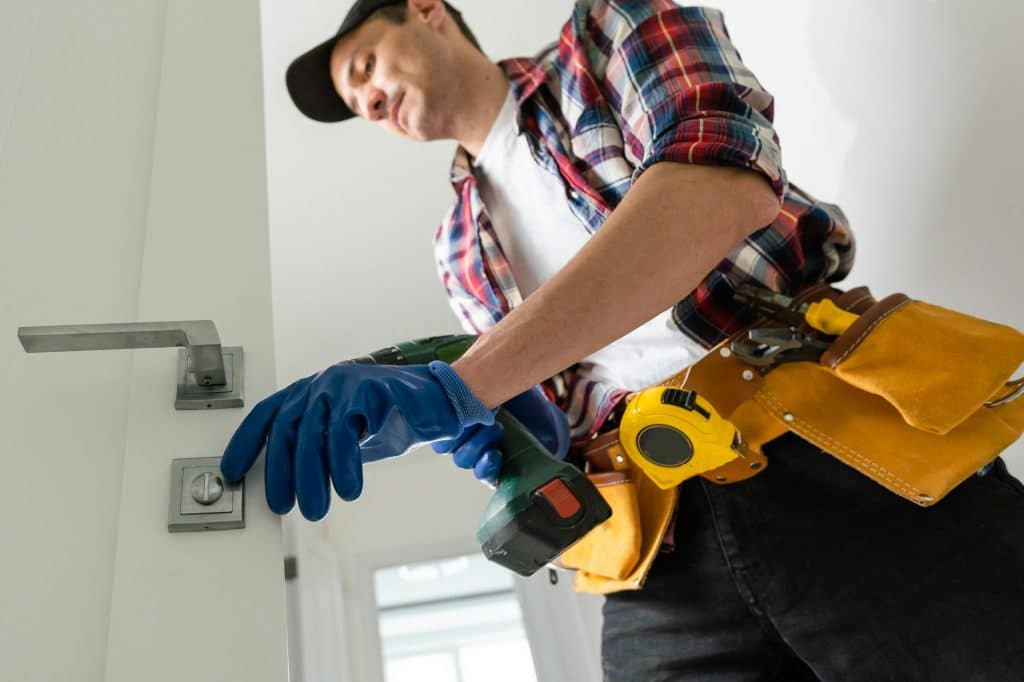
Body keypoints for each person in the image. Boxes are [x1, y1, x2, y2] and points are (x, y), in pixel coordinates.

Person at [221, 1, 1024, 679]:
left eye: (362, 68)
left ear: (427, 12)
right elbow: (558, 404)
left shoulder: (605, 32)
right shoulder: (455, 247)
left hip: (832, 453)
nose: (364, 102)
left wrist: (465, 384)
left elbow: (719, 188)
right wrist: (524, 435)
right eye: (352, 100)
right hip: (659, 547)